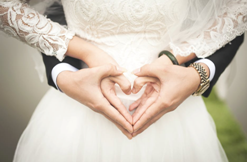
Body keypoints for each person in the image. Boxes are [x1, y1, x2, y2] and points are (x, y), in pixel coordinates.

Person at [0, 0, 246, 161]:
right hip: (77, 114)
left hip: (174, 114)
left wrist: (179, 62)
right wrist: (86, 52)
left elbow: (239, 8)